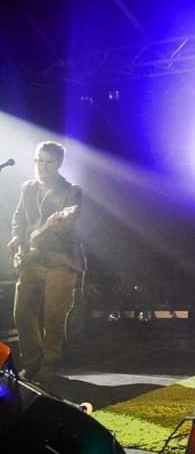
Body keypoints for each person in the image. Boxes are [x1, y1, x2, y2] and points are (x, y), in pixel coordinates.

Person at [7, 141, 84, 381]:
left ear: (59, 163)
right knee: (23, 313)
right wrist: (16, 237)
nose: (42, 166)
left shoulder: (71, 191)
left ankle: (51, 363)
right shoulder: (28, 187)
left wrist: (51, 227)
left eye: (48, 162)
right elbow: (19, 217)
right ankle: (31, 363)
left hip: (60, 260)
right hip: (31, 259)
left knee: (53, 317)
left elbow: (66, 227)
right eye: (38, 161)